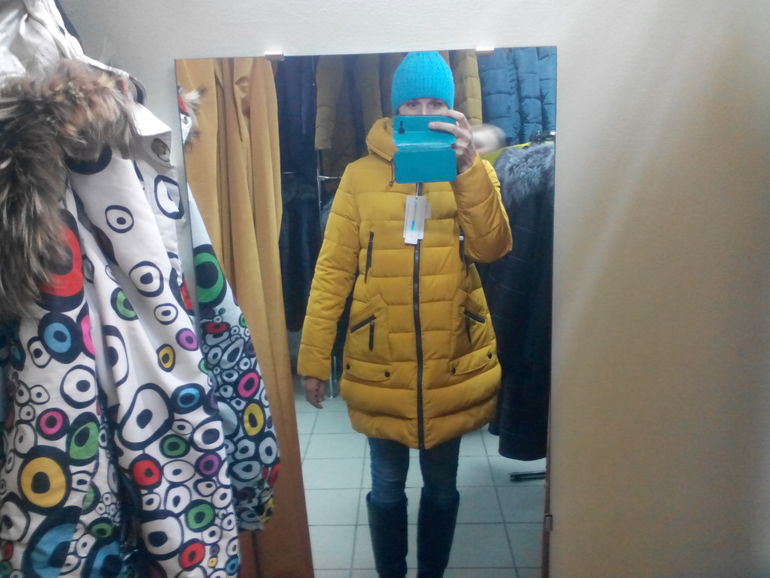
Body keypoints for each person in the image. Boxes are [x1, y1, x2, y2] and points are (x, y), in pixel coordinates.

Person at [298, 51, 512, 578]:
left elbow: (493, 248)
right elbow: (332, 271)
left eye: (436, 103)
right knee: (387, 487)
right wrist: (313, 358)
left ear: (452, 109)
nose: (424, 113)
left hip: (451, 356)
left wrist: (469, 171)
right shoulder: (358, 176)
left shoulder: (474, 171)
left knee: (441, 488)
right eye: (412, 104)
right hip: (381, 357)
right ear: (396, 111)